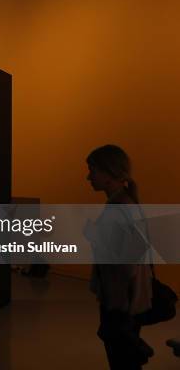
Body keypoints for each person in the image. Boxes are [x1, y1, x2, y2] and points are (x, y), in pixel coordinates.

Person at [86, 144, 153, 369]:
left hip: (120, 301)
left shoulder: (120, 207)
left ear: (109, 174)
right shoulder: (125, 204)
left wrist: (95, 237)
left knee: (122, 360)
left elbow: (126, 262)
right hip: (125, 300)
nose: (88, 177)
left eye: (93, 170)